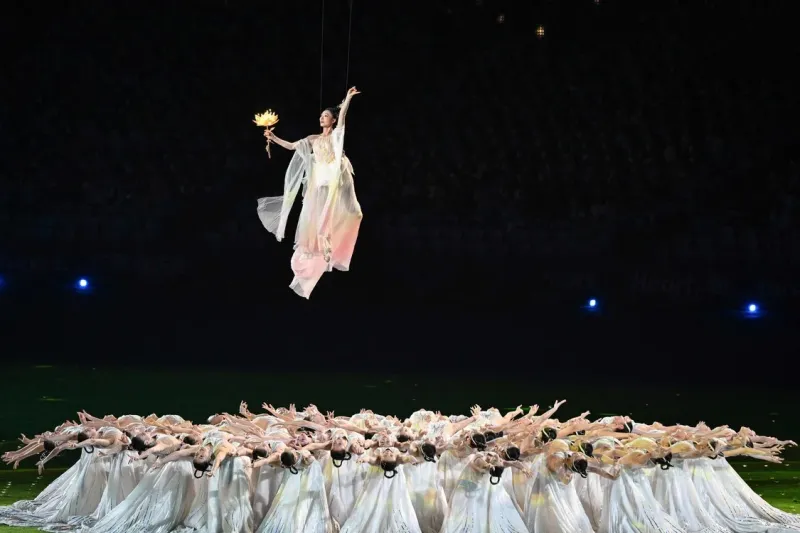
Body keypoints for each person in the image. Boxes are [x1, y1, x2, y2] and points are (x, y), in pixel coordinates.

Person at [257, 86, 364, 298]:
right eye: (321, 115)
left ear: (332, 120)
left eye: (326, 116)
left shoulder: (335, 137)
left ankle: (331, 246)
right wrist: (273, 136)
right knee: (314, 221)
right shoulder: (313, 139)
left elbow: (342, 119)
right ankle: (318, 253)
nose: (321, 118)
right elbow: (290, 146)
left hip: (333, 181)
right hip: (318, 184)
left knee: (355, 214)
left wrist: (348, 99)